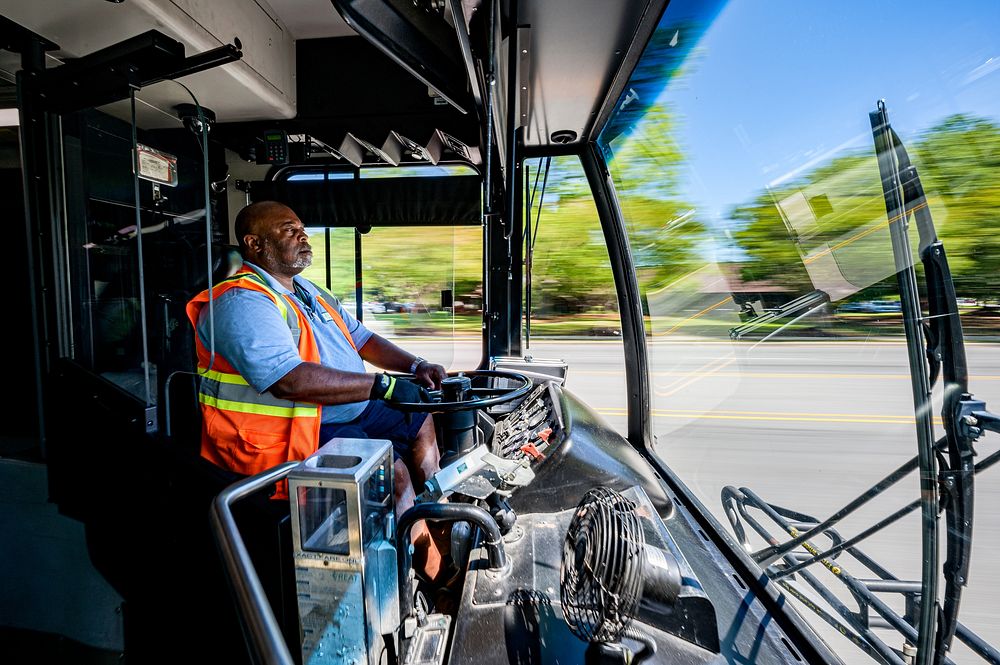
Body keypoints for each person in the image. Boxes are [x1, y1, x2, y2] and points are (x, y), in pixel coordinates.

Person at [185, 200, 448, 579]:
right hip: (302, 428)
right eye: (288, 230)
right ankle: (434, 574)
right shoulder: (242, 302)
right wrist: (381, 385)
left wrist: (414, 366)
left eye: (302, 228)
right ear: (254, 243)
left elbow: (363, 340)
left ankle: (435, 515)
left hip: (352, 407)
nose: (302, 235)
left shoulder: (311, 292)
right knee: (394, 473)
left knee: (422, 418)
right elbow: (288, 379)